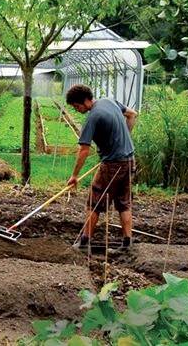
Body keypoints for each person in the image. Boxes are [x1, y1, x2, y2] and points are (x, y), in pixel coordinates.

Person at [65, 84, 138, 252]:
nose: (77, 110)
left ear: (85, 101)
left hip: (112, 164)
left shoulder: (93, 117)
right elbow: (132, 114)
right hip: (129, 161)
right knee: (123, 203)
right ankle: (127, 244)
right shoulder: (109, 101)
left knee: (94, 202)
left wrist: (74, 176)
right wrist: (123, 137)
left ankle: (84, 243)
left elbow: (84, 150)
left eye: (77, 106)